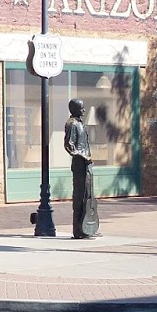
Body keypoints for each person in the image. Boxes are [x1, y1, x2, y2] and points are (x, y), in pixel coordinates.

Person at [64, 97, 99, 239]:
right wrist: (83, 156)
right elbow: (69, 146)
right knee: (79, 196)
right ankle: (78, 230)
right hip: (80, 164)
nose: (84, 110)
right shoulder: (72, 124)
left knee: (88, 195)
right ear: (74, 109)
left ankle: (87, 228)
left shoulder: (80, 123)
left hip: (86, 164)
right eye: (81, 108)